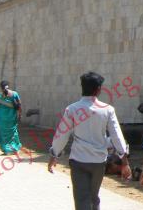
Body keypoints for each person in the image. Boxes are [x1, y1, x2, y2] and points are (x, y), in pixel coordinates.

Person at [49, 71, 131, 210]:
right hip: (99, 162)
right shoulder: (107, 110)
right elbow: (117, 136)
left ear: (82, 87)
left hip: (78, 160)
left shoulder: (72, 109)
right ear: (98, 89)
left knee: (81, 198)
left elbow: (61, 135)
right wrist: (125, 162)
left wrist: (54, 155)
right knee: (94, 197)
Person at [0, 80, 22, 154]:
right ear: (8, 86)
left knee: (2, 134)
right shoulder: (15, 94)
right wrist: (20, 115)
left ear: (1, 87)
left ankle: (6, 149)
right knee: (13, 133)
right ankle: (14, 148)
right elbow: (19, 105)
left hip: (2, 119)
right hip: (12, 118)